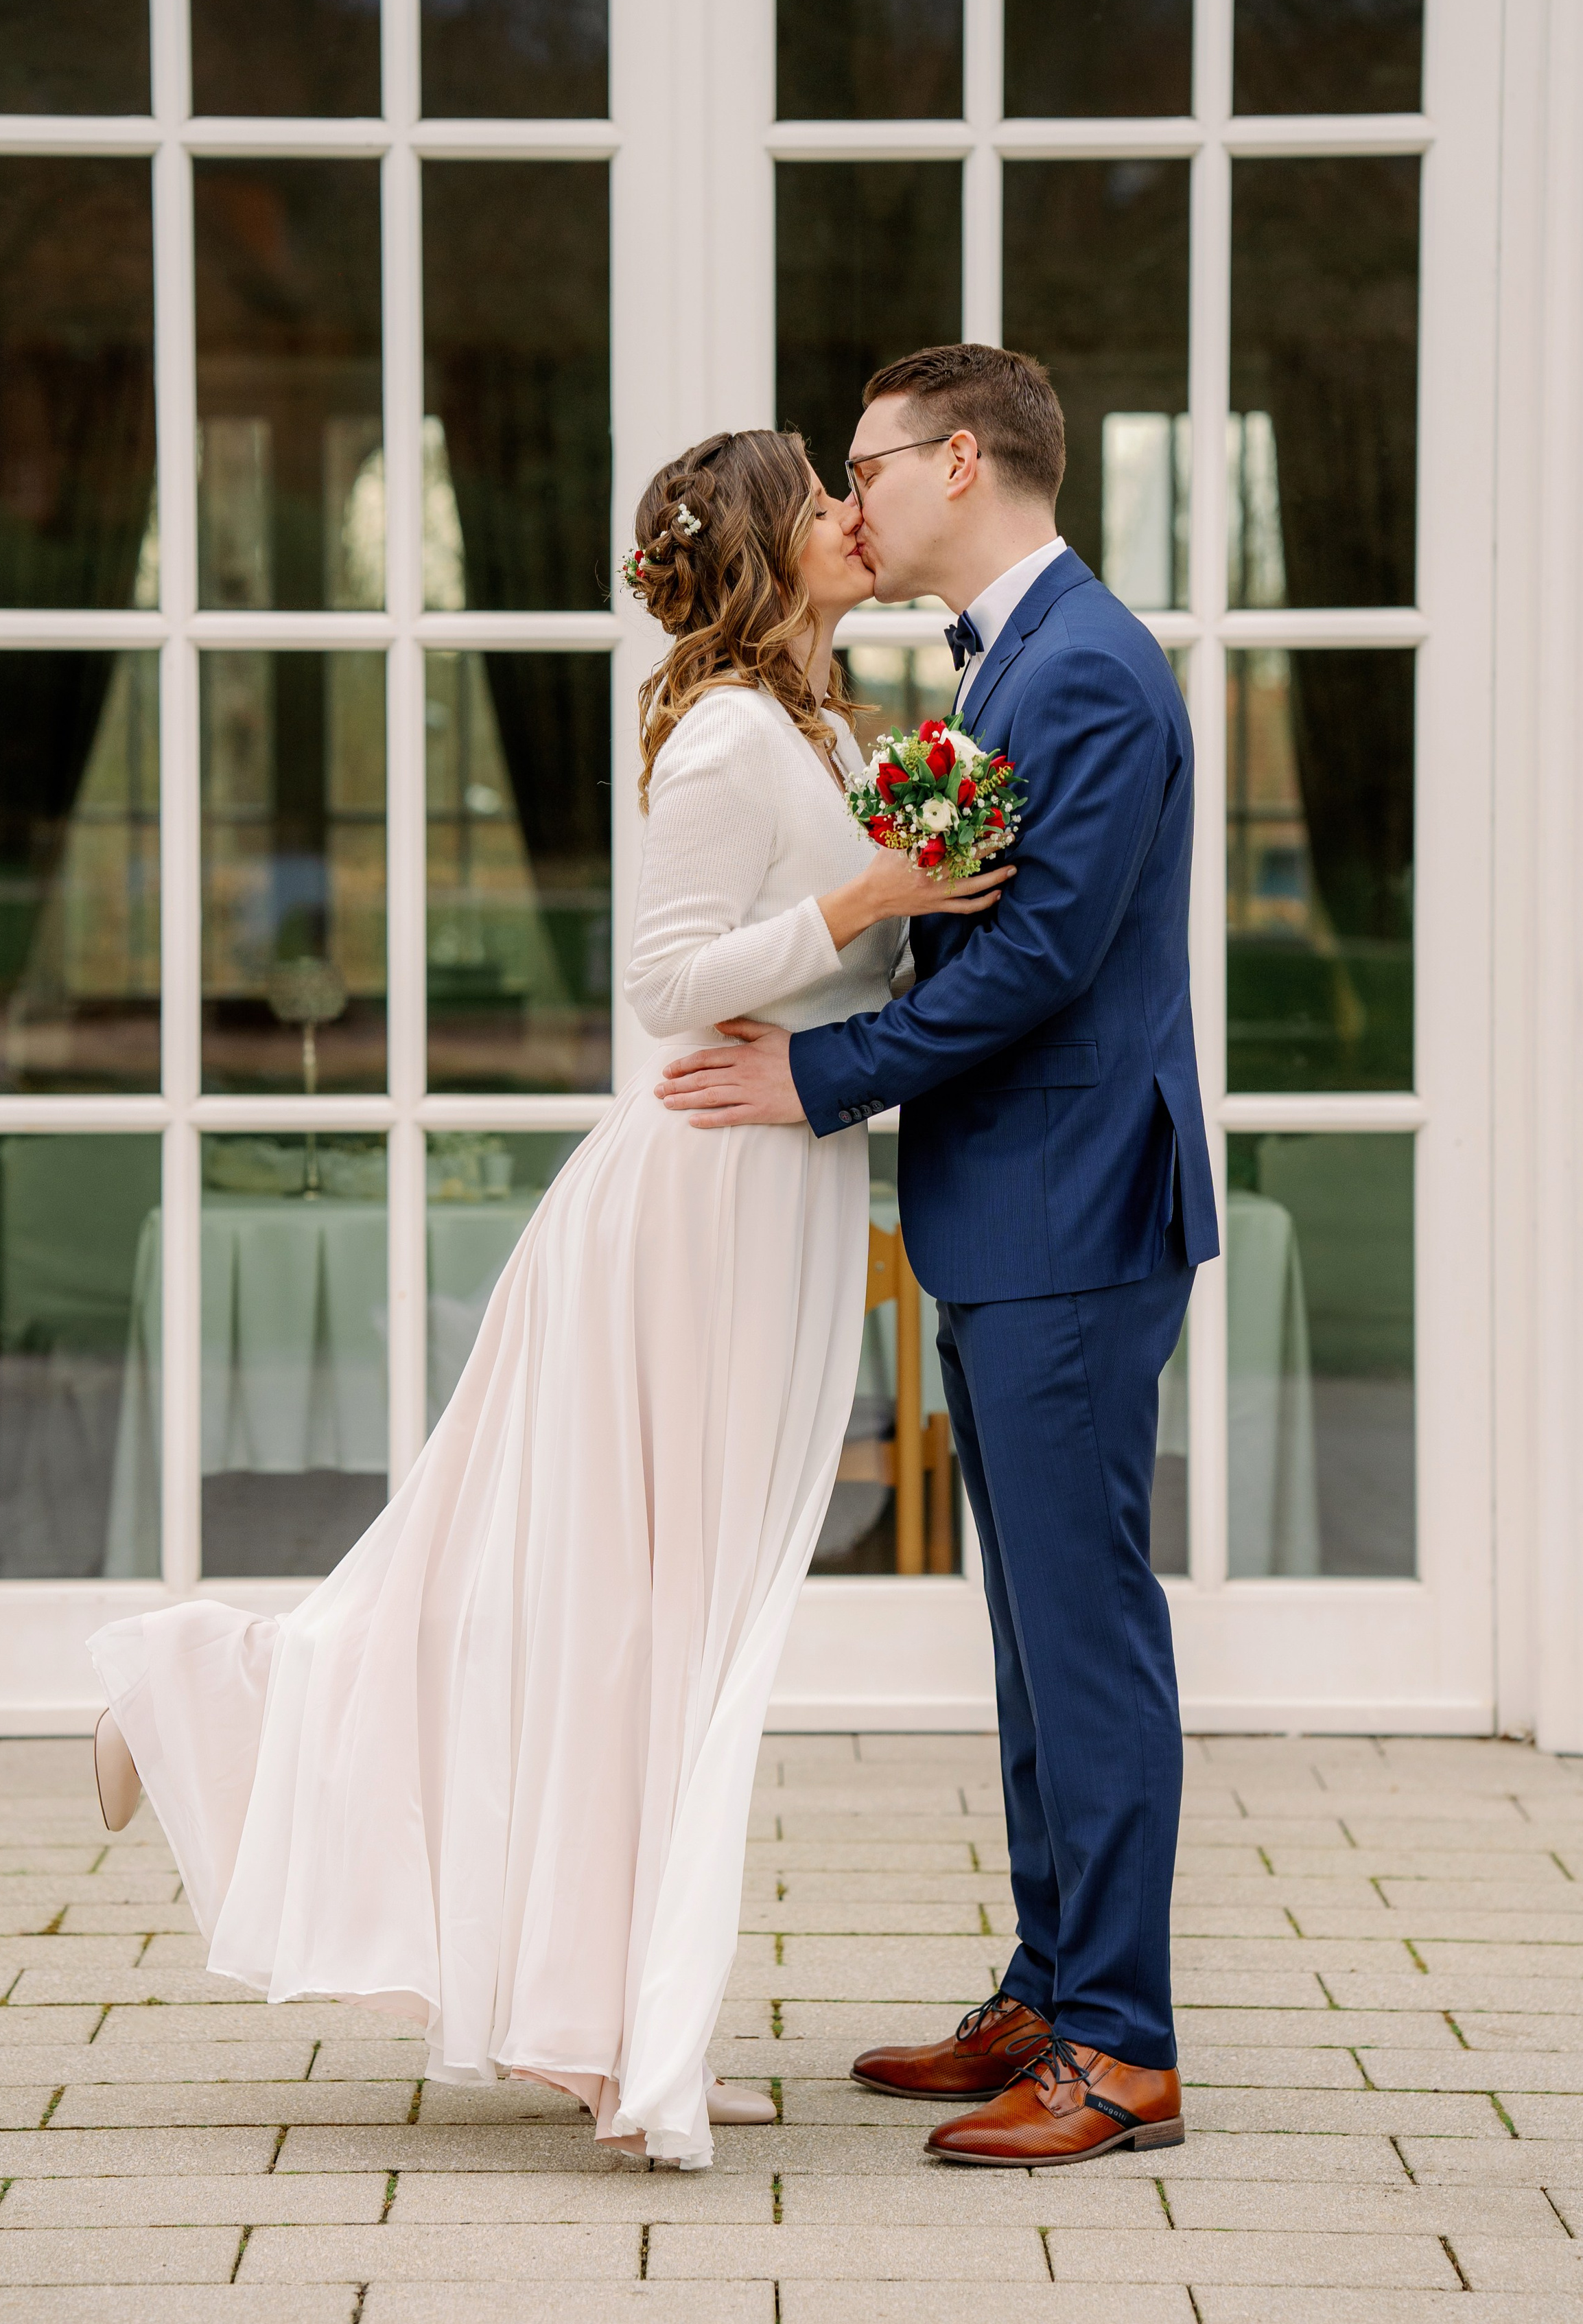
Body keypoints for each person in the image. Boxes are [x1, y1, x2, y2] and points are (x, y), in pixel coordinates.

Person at [86, 427, 1011, 2172]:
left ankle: (604, 1989)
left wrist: (909, 899)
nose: (845, 511)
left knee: (670, 1615)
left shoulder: (826, 729)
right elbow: (669, 986)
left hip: (783, 1193)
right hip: (687, 1209)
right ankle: (593, 2019)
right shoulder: (731, 735)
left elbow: (834, 972)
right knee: (620, 1614)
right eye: (814, 492)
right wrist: (872, 892)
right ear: (758, 542)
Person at [656, 344, 1220, 2168]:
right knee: (1031, 1639)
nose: (855, 501)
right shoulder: (1021, 668)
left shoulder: (1094, 674)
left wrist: (816, 1075)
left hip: (1068, 1214)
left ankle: (1121, 2047)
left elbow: (1038, 965)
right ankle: (1053, 1987)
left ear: (958, 461)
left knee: (1087, 1630)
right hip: (1014, 1213)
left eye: (871, 465)